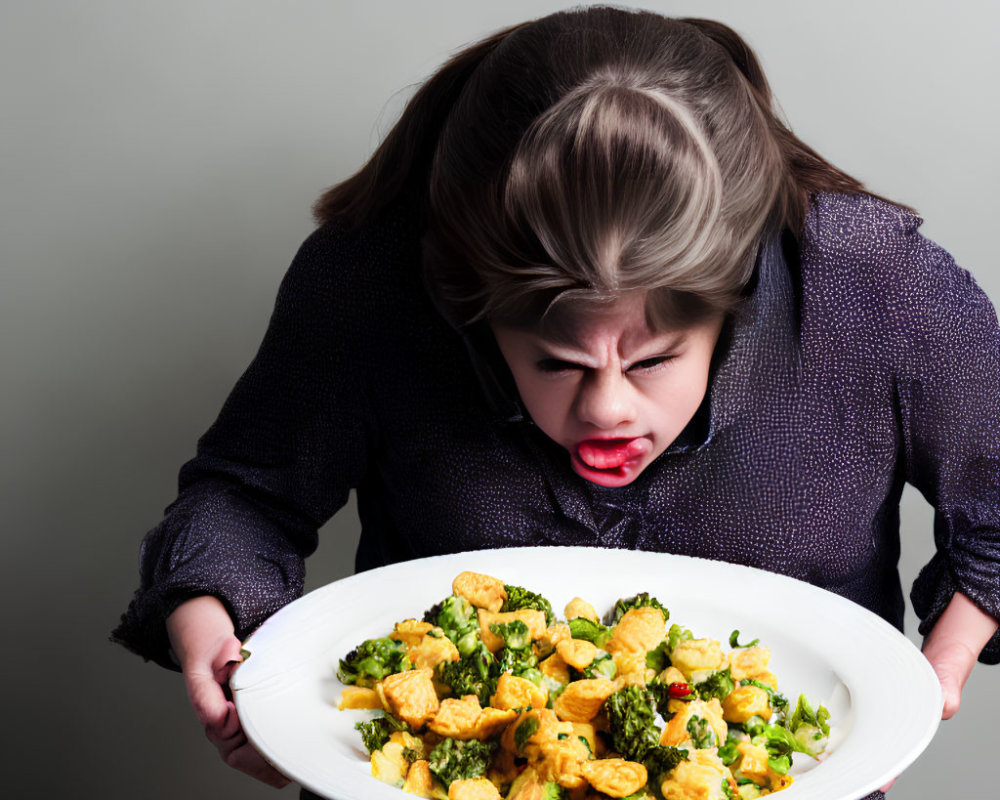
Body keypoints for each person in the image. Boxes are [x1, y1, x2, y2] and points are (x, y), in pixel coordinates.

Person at [112, 7, 1000, 799]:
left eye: (653, 359)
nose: (608, 409)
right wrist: (213, 634)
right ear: (471, 302)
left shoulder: (874, 283)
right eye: (559, 363)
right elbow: (247, 495)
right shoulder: (376, 278)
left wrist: (942, 665)